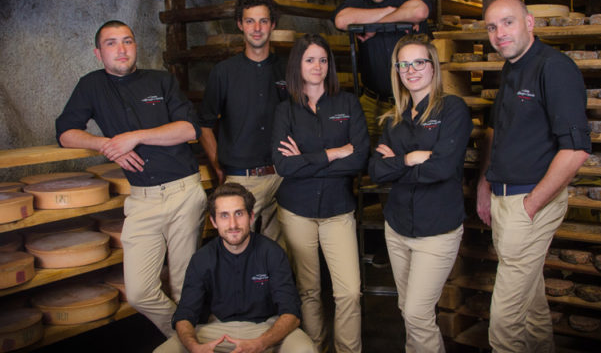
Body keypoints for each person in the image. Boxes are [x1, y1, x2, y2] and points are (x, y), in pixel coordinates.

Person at [55, 20, 207, 337]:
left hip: (183, 192)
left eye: (127, 41)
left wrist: (133, 138)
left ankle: (190, 343)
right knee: (139, 293)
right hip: (141, 199)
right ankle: (191, 340)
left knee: (184, 286)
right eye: (111, 43)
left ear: (136, 46)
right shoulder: (90, 85)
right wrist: (106, 146)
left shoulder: (162, 80)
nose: (121, 49)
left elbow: (189, 130)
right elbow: (66, 133)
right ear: (99, 53)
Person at [476, 0, 591, 353]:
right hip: (503, 197)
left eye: (508, 22)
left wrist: (530, 206)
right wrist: (484, 183)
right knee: (532, 303)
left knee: (505, 322)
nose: (499, 33)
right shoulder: (511, 66)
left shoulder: (554, 68)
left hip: (530, 203)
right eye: (492, 27)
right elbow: (497, 130)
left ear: (530, 23)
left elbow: (576, 150)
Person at [368, 34, 471, 353]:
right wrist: (411, 159)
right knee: (407, 311)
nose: (411, 70)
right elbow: (375, 171)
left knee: (416, 312)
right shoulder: (394, 119)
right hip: (397, 227)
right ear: (396, 71)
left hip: (436, 231)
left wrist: (395, 165)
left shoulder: (452, 109)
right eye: (403, 64)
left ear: (433, 67)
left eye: (419, 62)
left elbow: (441, 169)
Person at [271, 34, 369, 353]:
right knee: (309, 290)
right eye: (310, 59)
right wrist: (331, 154)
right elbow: (283, 166)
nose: (317, 66)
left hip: (338, 210)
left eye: (323, 60)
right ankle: (316, 347)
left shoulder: (348, 103)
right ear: (297, 65)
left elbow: (359, 158)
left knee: (350, 291)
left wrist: (306, 160)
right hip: (296, 211)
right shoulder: (285, 111)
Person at [154, 183, 316, 353]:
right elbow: (185, 314)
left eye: (239, 214)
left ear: (251, 216)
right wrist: (194, 347)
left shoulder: (272, 253)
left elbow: (291, 313)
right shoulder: (201, 259)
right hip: (215, 329)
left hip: (266, 328)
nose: (233, 224)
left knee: (304, 349)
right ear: (214, 222)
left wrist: (260, 343)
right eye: (224, 216)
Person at [199, 0, 287, 243]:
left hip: (283, 175)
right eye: (250, 21)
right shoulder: (223, 72)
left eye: (263, 21)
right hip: (241, 176)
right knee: (236, 245)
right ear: (240, 24)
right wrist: (218, 164)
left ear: (273, 24)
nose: (257, 28)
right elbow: (204, 124)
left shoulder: (287, 68)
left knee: (283, 252)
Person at [333, 0, 432, 143]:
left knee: (410, 160)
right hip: (372, 100)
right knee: (368, 161)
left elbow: (419, 11)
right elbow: (341, 20)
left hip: (412, 100)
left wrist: (372, 25)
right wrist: (393, 12)